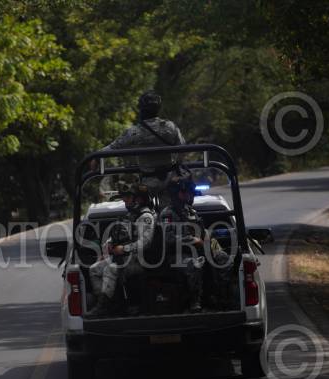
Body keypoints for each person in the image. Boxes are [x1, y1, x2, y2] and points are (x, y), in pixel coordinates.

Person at [160, 168, 232, 313]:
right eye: (186, 192)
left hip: (198, 250)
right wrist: (192, 240)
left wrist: (209, 243)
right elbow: (169, 238)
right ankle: (195, 301)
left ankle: (221, 296)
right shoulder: (168, 214)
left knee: (223, 258)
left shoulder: (191, 212)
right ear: (178, 194)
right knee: (194, 264)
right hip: (178, 255)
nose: (189, 195)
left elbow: (202, 232)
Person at [87, 182, 157, 316]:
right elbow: (119, 235)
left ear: (139, 199)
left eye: (129, 197)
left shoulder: (145, 217)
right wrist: (108, 246)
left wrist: (124, 248)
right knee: (94, 269)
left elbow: (145, 242)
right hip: (124, 259)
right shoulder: (131, 215)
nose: (125, 200)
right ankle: (106, 303)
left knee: (111, 269)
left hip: (140, 261)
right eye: (125, 197)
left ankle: (103, 307)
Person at [101, 91, 186, 197]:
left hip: (147, 182)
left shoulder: (134, 132)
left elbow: (113, 147)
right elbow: (183, 147)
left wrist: (96, 156)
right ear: (158, 108)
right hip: (169, 180)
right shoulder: (170, 127)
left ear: (141, 109)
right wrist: (177, 164)